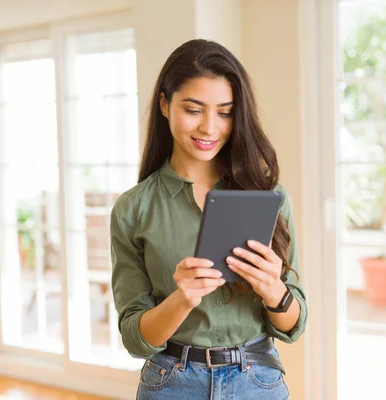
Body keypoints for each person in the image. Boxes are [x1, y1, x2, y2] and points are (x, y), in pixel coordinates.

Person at [110, 38, 307, 400]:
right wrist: (182, 298)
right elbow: (136, 339)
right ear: (165, 105)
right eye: (194, 109)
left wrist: (272, 289)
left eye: (225, 111)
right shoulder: (133, 209)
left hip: (257, 381)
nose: (210, 128)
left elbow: (293, 325)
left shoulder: (267, 194)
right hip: (170, 383)